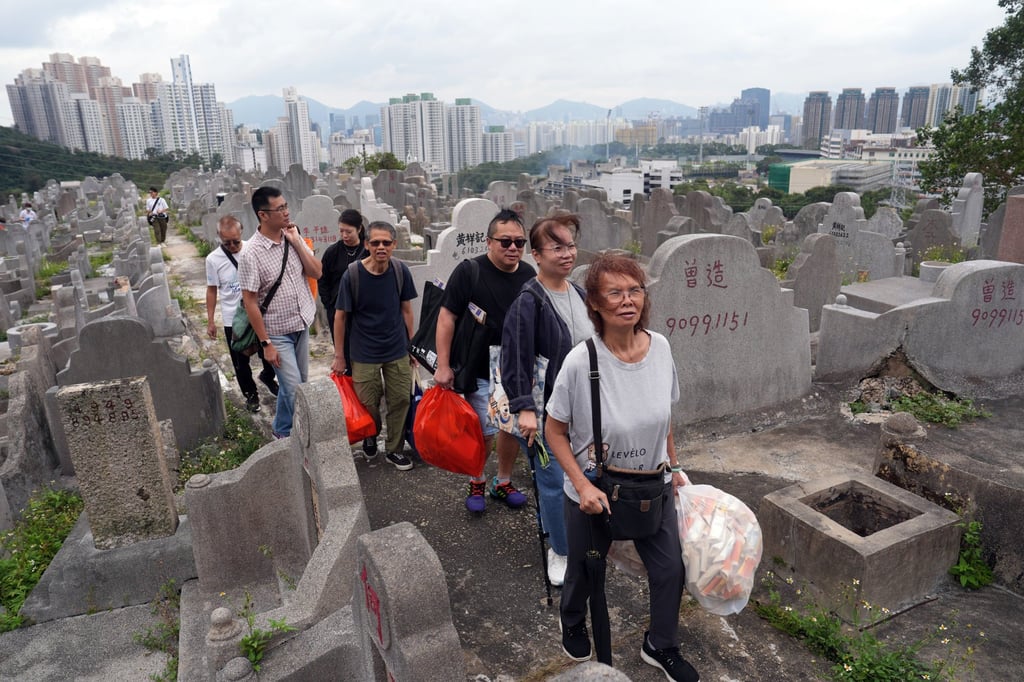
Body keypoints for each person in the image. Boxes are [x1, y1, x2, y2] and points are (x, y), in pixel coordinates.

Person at [545, 253, 699, 682]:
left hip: (652, 484)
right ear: (594, 302)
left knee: (670, 569)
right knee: (583, 569)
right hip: (595, 488)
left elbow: (664, 415)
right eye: (615, 292)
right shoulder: (582, 361)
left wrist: (674, 464)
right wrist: (580, 484)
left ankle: (661, 645)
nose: (627, 300)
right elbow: (553, 430)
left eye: (635, 290)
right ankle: (573, 618)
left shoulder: (661, 347)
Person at [501, 213, 592, 587]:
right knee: (554, 480)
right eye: (557, 247)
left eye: (570, 245)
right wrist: (525, 408)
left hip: (581, 408)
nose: (567, 253)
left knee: (574, 475)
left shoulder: (580, 293)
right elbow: (515, 360)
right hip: (545, 411)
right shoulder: (529, 301)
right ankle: (560, 549)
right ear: (536, 255)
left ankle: (563, 532)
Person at [434, 208, 536, 513]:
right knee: (484, 430)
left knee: (509, 429)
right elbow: (446, 316)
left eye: (519, 242)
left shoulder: (529, 275)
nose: (513, 248)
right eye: (505, 242)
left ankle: (502, 481)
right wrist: (442, 364)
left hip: (513, 368)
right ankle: (477, 479)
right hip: (478, 364)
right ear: (489, 242)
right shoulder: (469, 271)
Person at [330, 221, 417, 470]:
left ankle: (394, 449)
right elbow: (340, 317)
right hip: (364, 350)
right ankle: (371, 432)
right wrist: (339, 356)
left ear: (394, 245)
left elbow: (407, 310)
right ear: (366, 244)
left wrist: (412, 345)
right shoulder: (353, 275)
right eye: (375, 242)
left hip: (396, 347)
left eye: (386, 243)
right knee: (368, 401)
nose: (381, 247)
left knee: (400, 399)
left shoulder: (401, 271)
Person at [238, 186, 322, 438]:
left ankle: (283, 428)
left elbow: (316, 272)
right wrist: (266, 343)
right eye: (280, 208)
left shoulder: (292, 237)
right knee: (294, 386)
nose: (287, 212)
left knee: (296, 384)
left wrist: (296, 241)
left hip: (301, 321)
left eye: (286, 206)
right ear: (263, 215)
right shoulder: (251, 253)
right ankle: (286, 433)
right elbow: (250, 302)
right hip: (277, 332)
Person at [205, 215, 278, 413]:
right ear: (219, 237)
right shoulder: (213, 260)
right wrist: (211, 320)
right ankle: (250, 394)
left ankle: (268, 376)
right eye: (226, 243)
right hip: (233, 319)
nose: (232, 246)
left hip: (258, 313)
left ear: (242, 232)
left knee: (269, 352)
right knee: (240, 362)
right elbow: (212, 290)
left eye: (236, 241)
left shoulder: (252, 249)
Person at [318, 209, 367, 349]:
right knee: (343, 350)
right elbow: (323, 279)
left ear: (359, 229)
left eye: (349, 231)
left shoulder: (368, 250)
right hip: (338, 309)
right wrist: (328, 304)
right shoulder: (332, 252)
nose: (344, 235)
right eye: (341, 231)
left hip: (363, 309)